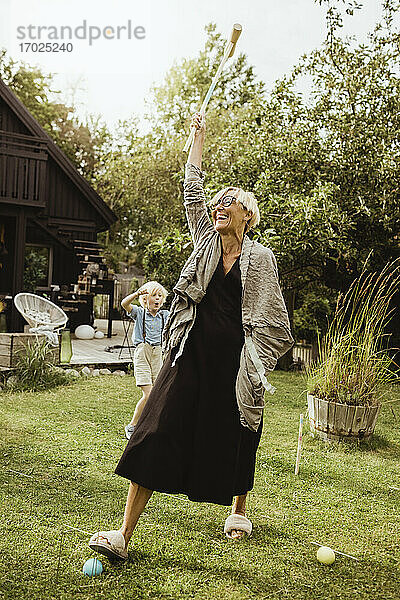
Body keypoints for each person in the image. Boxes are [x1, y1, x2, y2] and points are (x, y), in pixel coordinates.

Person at [89, 113, 294, 560]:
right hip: (189, 352)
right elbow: (192, 190)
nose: (219, 206)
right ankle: (123, 534)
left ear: (248, 214)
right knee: (153, 428)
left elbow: (274, 318)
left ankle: (238, 509)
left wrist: (256, 363)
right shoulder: (204, 242)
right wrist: (196, 140)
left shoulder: (260, 258)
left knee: (240, 430)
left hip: (236, 363)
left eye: (230, 202)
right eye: (217, 202)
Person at [121, 281, 169, 439]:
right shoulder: (139, 313)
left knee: (158, 394)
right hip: (142, 352)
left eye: (160, 296)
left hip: (158, 354)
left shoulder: (164, 315)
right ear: (145, 299)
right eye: (153, 295)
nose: (157, 299)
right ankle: (132, 425)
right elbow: (124, 303)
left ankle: (151, 425)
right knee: (148, 394)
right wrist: (136, 294)